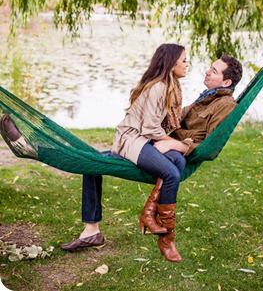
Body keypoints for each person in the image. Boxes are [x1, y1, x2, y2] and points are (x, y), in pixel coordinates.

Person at [0, 51, 243, 262]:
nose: (207, 72)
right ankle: (91, 232)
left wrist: (176, 146)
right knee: (93, 161)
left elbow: (209, 144)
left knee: (93, 161)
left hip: (171, 156)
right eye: (210, 67)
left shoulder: (226, 106)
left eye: (214, 70)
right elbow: (173, 121)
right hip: (157, 147)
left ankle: (34, 149)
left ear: (227, 80)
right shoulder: (206, 96)